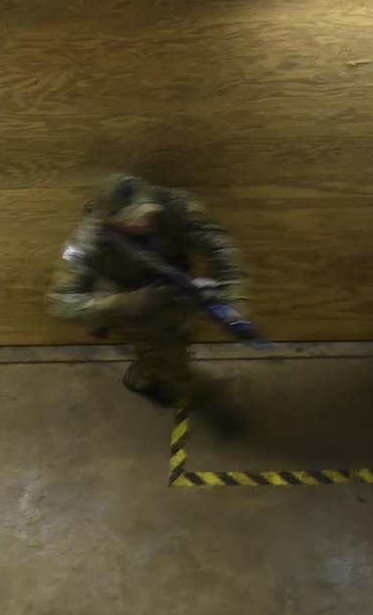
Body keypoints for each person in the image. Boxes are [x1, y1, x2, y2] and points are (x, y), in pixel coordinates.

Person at [47, 173, 251, 433]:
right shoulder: (86, 244)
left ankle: (145, 373)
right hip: (134, 308)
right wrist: (122, 304)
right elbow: (60, 302)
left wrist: (235, 290)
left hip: (173, 293)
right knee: (166, 359)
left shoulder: (172, 204)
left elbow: (217, 244)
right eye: (133, 219)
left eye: (147, 213)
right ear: (107, 216)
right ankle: (186, 392)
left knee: (179, 337)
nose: (145, 222)